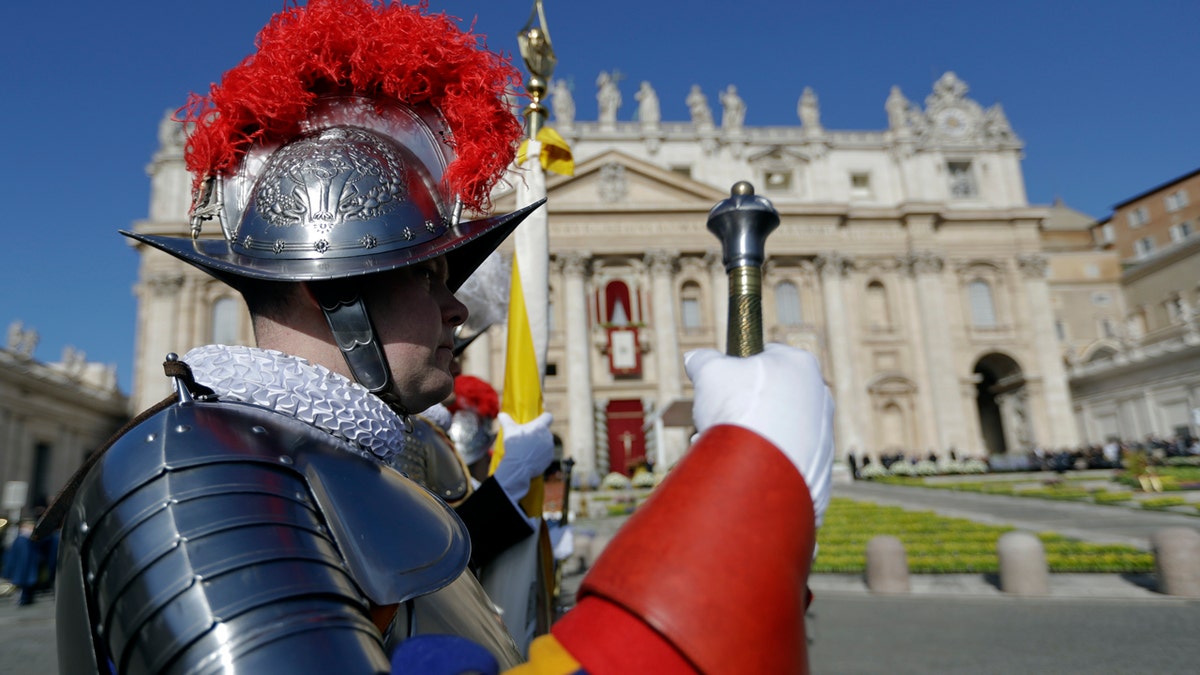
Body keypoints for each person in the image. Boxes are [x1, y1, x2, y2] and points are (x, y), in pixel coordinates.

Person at [41, 2, 834, 673]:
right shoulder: (197, 476)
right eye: (427, 278)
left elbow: (420, 575)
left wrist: (508, 512)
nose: (458, 312)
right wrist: (741, 501)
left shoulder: (328, 454)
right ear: (335, 290)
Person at [2, 519, 41, 607]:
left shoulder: (23, 539)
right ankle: (25, 599)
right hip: (25, 566)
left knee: (26, 584)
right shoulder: (24, 540)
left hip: (24, 566)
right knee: (26, 584)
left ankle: (25, 599)